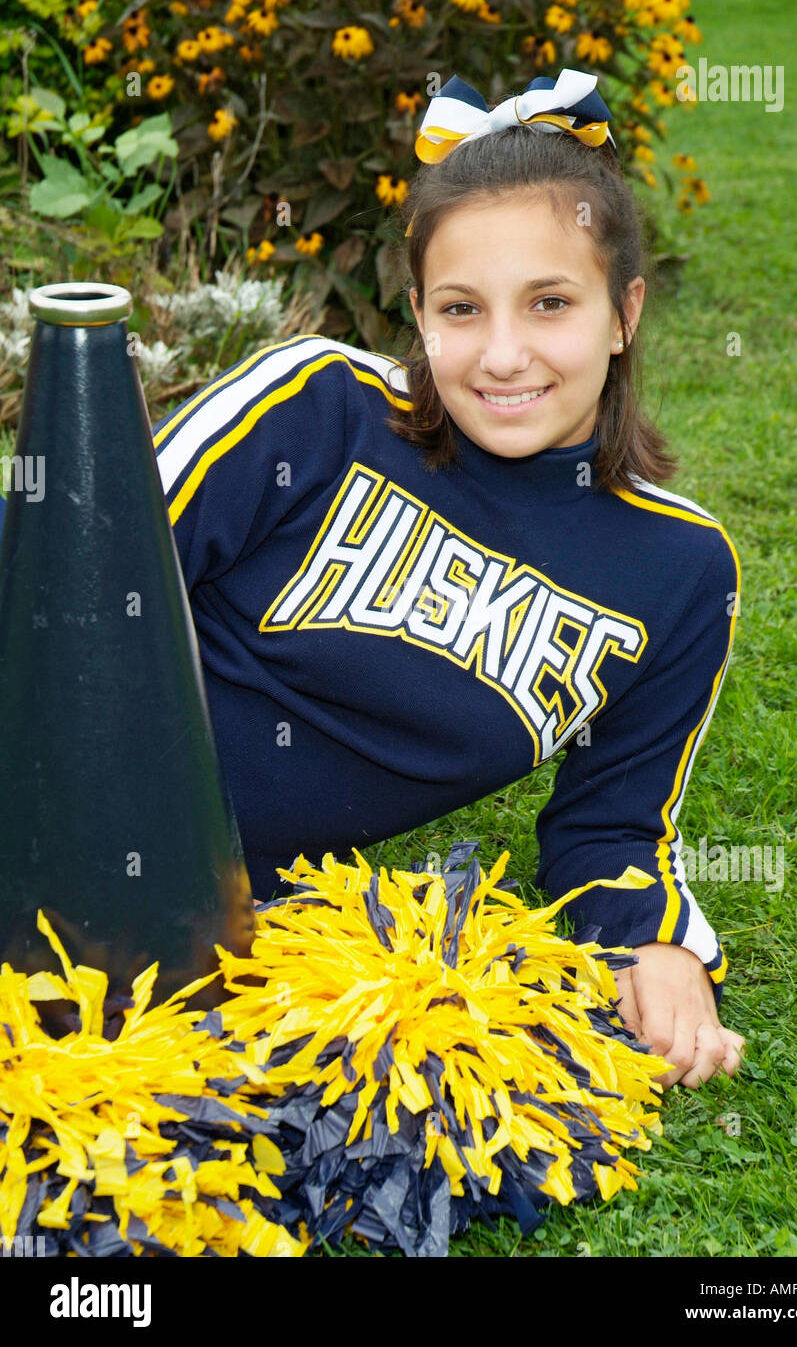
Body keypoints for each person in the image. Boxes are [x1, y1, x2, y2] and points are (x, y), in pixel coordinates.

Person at [0, 70, 745, 1091]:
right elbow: (52, 570)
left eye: (550, 303)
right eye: (459, 308)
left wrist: (653, 944)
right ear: (418, 312)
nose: (501, 354)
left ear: (624, 313)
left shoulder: (679, 572)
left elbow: (613, 825)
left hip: (213, 936)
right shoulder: (316, 405)